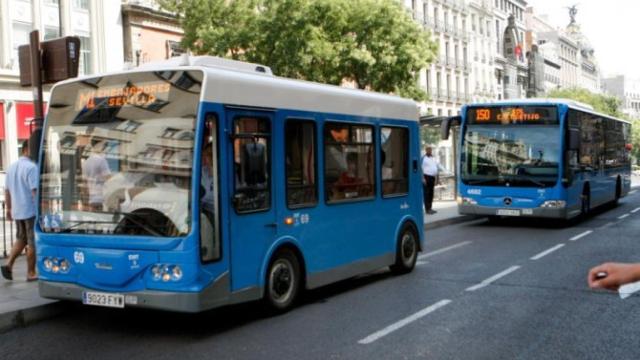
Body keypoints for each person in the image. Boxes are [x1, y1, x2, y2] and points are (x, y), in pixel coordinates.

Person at [1, 141, 38, 282]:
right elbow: (34, 191)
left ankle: (8, 264)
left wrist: (9, 209)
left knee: (21, 238)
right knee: (32, 241)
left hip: (18, 210)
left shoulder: (11, 168)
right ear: (27, 150)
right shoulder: (31, 167)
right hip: (30, 211)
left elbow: (7, 191)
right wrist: (41, 211)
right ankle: (31, 272)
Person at [421, 146, 446, 215]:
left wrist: (445, 171)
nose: (430, 151)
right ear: (426, 150)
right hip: (426, 177)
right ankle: (427, 209)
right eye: (428, 149)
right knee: (426, 193)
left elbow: (438, 166)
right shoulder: (423, 158)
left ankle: (430, 208)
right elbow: (420, 169)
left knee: (431, 193)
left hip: (432, 177)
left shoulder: (433, 158)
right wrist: (422, 178)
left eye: (430, 149)